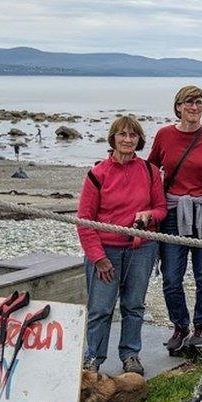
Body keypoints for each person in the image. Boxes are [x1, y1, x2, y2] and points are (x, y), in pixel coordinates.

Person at [148, 85, 202, 351]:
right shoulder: (164, 135)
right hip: (174, 213)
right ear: (178, 107)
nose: (193, 107)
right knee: (172, 277)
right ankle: (179, 326)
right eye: (188, 102)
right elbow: (151, 169)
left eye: (198, 103)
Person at [77, 117, 166, 375]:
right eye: (122, 134)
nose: (128, 139)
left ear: (139, 140)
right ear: (113, 138)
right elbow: (84, 221)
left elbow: (161, 209)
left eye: (133, 135)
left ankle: (130, 355)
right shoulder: (97, 174)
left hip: (141, 249)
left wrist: (149, 215)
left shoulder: (149, 171)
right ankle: (93, 358)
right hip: (106, 251)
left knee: (134, 306)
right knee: (100, 309)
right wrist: (98, 257)